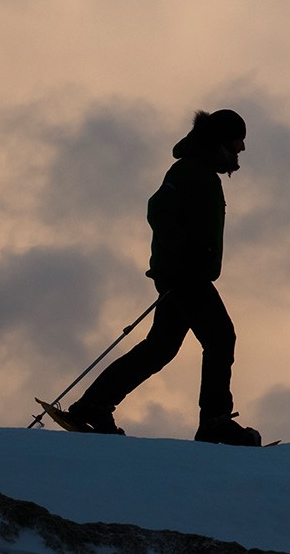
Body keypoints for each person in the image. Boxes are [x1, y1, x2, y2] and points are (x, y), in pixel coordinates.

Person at [68, 109, 261, 446]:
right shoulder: (189, 171)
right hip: (185, 276)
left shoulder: (199, 172)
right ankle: (214, 422)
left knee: (160, 348)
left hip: (184, 274)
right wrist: (183, 255)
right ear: (218, 141)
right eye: (236, 142)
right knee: (219, 337)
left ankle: (94, 404)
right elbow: (159, 209)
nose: (241, 149)